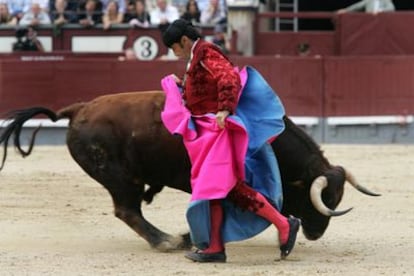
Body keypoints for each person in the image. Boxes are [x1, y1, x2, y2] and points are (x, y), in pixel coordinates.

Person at [160, 19, 301, 263]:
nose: (175, 53)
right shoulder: (197, 58)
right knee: (217, 190)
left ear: (183, 41)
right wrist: (182, 86)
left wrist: (225, 109)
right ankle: (216, 247)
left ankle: (283, 223)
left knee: (227, 187)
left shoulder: (206, 52)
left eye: (174, 47)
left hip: (218, 131)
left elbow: (228, 78)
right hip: (211, 132)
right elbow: (205, 90)